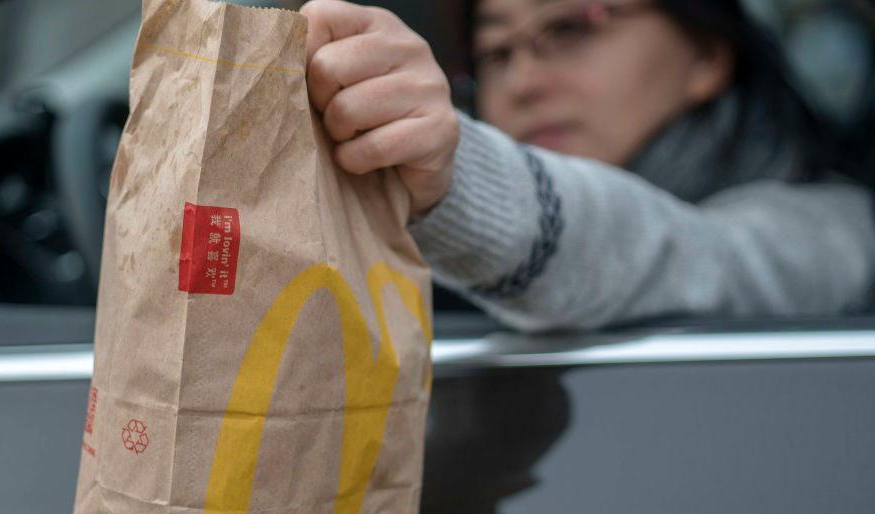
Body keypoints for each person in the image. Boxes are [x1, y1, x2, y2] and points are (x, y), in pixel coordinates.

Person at [299, 0, 875, 331]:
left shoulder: (832, 230)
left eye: (569, 29)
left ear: (705, 53)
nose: (521, 82)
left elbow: (689, 258)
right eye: (496, 53)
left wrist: (457, 175)